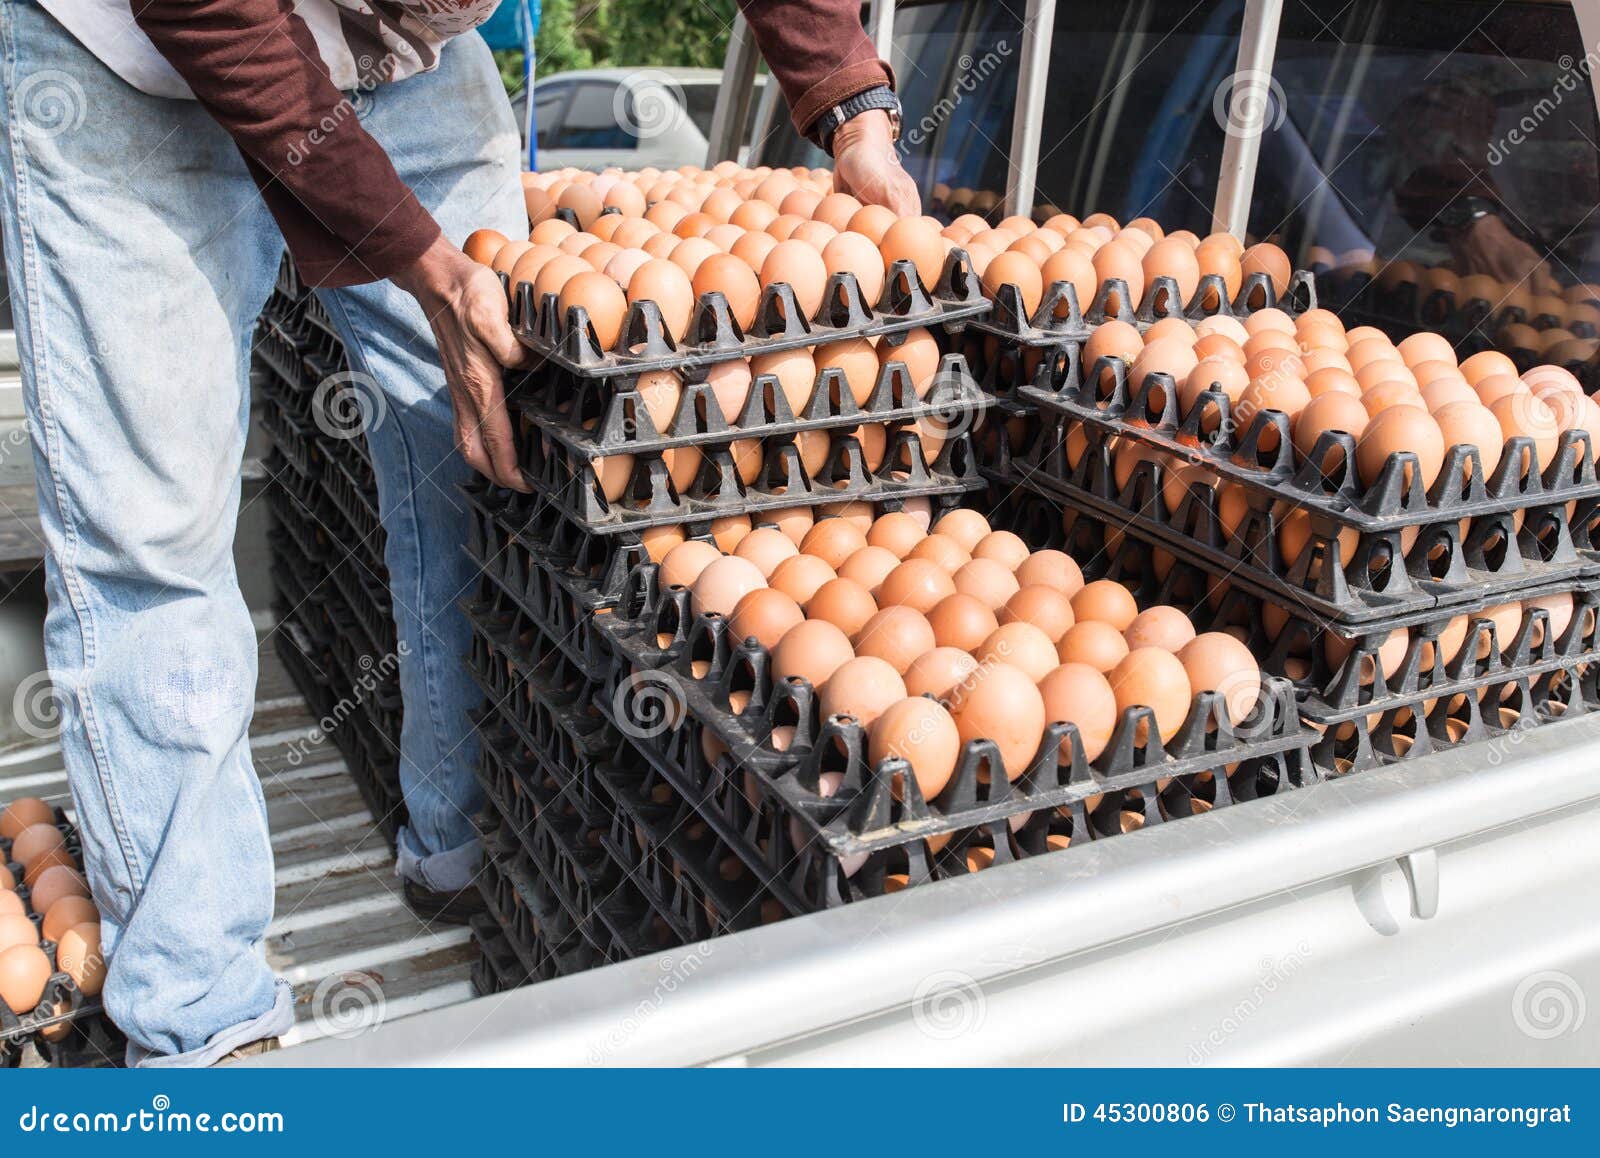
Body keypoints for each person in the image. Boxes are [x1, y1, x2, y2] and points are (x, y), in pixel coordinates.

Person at [0, 0, 918, 1067]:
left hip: (399, 54)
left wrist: (849, 102)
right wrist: (427, 268)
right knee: (148, 544)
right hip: (130, 55)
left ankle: (468, 847)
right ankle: (206, 1024)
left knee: (483, 445)